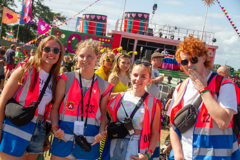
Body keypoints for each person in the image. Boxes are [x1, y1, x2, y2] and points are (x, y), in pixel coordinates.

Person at [168, 36, 240, 159]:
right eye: (185, 61)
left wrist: (203, 90)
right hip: (187, 155)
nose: (189, 65)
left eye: (194, 59)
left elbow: (223, 122)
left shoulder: (224, 85)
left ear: (204, 58)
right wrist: (178, 155)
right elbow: (173, 125)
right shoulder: (180, 88)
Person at [0, 35, 63, 160]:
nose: (51, 53)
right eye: (47, 49)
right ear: (40, 50)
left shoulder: (56, 80)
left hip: (39, 129)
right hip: (17, 124)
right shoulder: (25, 70)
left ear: (59, 54)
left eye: (56, 50)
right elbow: (3, 99)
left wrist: (45, 135)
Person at [50, 39, 114, 160]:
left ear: (97, 58)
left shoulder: (104, 86)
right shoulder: (65, 79)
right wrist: (55, 127)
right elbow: (55, 108)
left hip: (89, 142)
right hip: (63, 139)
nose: (85, 59)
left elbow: (104, 113)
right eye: (82, 56)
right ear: (77, 58)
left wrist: (101, 132)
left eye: (89, 56)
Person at [108, 59, 161, 160]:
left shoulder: (153, 103)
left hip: (136, 147)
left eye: (143, 76)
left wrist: (148, 155)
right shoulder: (120, 97)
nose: (138, 79)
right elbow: (112, 120)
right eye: (135, 75)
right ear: (130, 75)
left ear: (149, 79)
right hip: (115, 144)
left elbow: (155, 133)